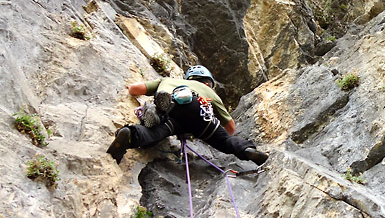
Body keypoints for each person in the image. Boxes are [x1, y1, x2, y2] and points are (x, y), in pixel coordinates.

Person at [106, 65, 268, 166]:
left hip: (173, 111)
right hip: (199, 111)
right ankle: (247, 150)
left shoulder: (168, 79)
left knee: (154, 134)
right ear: (208, 83)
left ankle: (131, 134)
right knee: (226, 141)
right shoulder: (210, 92)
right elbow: (230, 127)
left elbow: (135, 89)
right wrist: (205, 133)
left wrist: (129, 86)